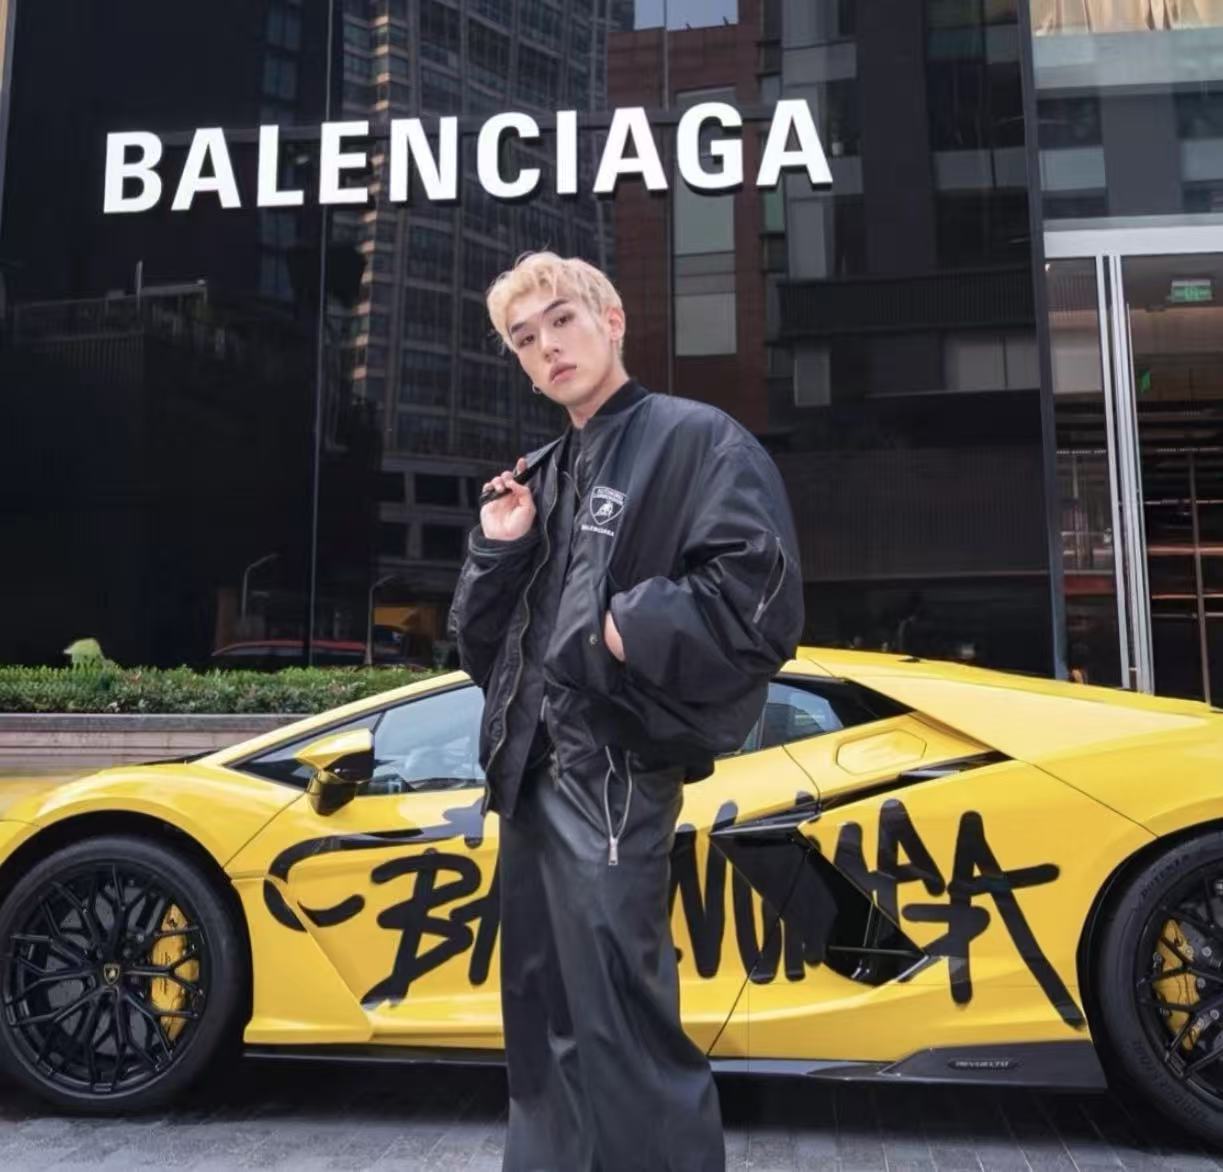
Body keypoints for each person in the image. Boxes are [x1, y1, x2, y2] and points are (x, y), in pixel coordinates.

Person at [446, 251, 804, 1172]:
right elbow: (488, 654)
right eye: (524, 338)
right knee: (542, 1024)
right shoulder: (540, 474)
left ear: (611, 320)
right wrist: (499, 549)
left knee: (620, 1024)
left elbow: (760, 600)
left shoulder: (695, 441)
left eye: (562, 321)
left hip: (610, 775)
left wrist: (622, 627)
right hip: (527, 778)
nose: (546, 347)